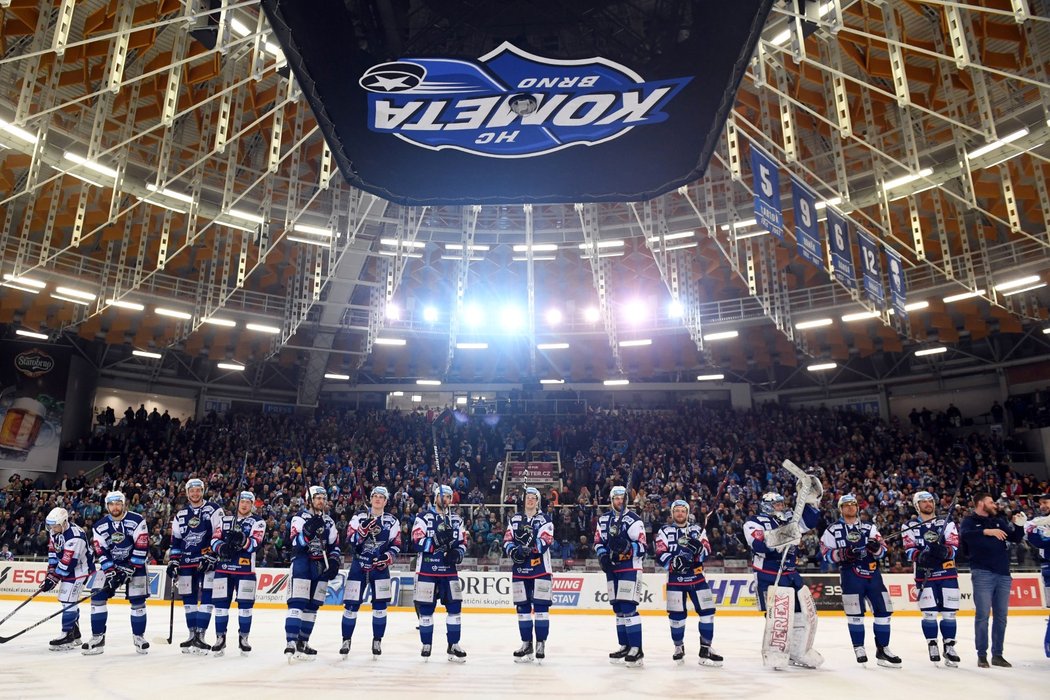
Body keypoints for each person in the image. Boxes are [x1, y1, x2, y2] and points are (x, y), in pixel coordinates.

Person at [743, 487, 824, 669]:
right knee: (778, 616)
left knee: (800, 614)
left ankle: (797, 650)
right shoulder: (754, 522)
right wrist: (786, 536)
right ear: (767, 506)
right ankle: (776, 652)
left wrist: (811, 500)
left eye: (782, 503)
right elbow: (759, 545)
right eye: (777, 504)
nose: (781, 506)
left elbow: (809, 522)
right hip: (768, 575)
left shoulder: (790, 519)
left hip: (790, 573)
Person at [820, 493, 900, 667]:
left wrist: (876, 547)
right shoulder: (832, 530)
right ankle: (859, 647)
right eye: (846, 505)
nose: (850, 507)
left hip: (873, 575)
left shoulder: (869, 528)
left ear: (857, 507)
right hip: (850, 576)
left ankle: (883, 649)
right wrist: (843, 554)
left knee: (884, 612)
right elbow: (825, 555)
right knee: (855, 614)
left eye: (853, 504)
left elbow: (884, 551)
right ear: (840, 509)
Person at [959, 492, 1027, 668]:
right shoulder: (969, 520)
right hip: (982, 572)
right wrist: (986, 531)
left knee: (1001, 616)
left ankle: (998, 654)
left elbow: (1015, 538)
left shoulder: (999, 521)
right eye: (991, 502)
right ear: (981, 503)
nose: (994, 504)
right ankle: (982, 655)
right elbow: (965, 535)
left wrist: (1019, 526)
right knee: (982, 615)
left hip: (1003, 573)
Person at [654, 499, 722, 666]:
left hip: (697, 577)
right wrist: (674, 561)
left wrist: (698, 551)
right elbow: (659, 551)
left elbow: (707, 549)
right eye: (676, 511)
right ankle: (678, 647)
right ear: (672, 513)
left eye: (682, 511)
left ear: (687, 513)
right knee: (676, 616)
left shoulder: (697, 530)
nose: (679, 513)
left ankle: (706, 648)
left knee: (707, 612)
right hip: (675, 579)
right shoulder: (664, 531)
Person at [84, 491, 150, 655]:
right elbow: (100, 549)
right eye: (112, 504)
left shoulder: (136, 520)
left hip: (136, 565)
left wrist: (129, 568)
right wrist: (110, 571)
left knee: (138, 601)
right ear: (107, 506)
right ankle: (97, 638)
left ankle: (139, 637)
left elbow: (142, 546)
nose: (115, 507)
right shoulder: (99, 525)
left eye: (118, 503)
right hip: (112, 565)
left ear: (124, 504)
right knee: (97, 596)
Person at [900, 490, 961, 667]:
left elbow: (954, 546)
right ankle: (932, 643)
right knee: (929, 613)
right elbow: (909, 550)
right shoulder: (909, 526)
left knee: (949, 613)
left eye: (930, 500)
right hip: (924, 574)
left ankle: (949, 646)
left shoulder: (946, 522)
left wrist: (943, 551)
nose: (928, 503)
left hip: (947, 572)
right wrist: (922, 556)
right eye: (923, 501)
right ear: (916, 505)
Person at [341, 485, 402, 659]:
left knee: (380, 607)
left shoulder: (392, 521)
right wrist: (362, 530)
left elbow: (396, 545)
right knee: (351, 606)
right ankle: (346, 640)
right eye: (375, 496)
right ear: (370, 498)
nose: (377, 499)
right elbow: (351, 541)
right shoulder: (359, 517)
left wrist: (387, 557)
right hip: (358, 567)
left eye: (381, 497)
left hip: (379, 569)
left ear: (386, 501)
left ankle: (377, 640)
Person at [411, 484, 468, 662]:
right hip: (427, 570)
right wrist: (435, 540)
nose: (445, 500)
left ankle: (453, 644)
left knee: (455, 608)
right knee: (426, 609)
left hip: (448, 571)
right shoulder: (423, 517)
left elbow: (463, 542)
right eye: (442, 496)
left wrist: (458, 553)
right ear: (435, 497)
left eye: (449, 497)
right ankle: (426, 644)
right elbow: (416, 541)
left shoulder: (456, 519)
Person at [168, 477, 224, 655]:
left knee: (207, 596)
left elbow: (220, 534)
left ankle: (201, 635)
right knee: (188, 599)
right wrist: (174, 560)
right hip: (186, 562)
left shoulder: (213, 509)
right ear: (187, 493)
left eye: (198, 490)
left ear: (203, 491)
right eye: (192, 490)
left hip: (207, 560)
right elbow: (176, 540)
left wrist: (213, 556)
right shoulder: (181, 515)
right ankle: (192, 634)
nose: (195, 493)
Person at [285, 485, 341, 661]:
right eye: (317, 498)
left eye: (323, 498)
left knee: (312, 606)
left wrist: (333, 561)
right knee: (298, 602)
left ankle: (303, 641)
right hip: (302, 563)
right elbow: (295, 542)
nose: (321, 501)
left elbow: (334, 546)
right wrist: (308, 531)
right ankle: (291, 642)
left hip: (320, 566)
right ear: (310, 500)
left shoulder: (329, 521)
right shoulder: (299, 518)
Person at [594, 485, 646, 667]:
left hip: (629, 568)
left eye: (622, 498)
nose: (619, 501)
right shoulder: (604, 519)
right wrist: (602, 556)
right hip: (612, 569)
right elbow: (598, 541)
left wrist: (625, 546)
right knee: (618, 608)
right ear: (611, 499)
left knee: (628, 606)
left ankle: (636, 648)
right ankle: (624, 645)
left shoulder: (633, 519)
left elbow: (643, 546)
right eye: (616, 498)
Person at [209, 490, 266, 656]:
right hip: (223, 569)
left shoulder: (258, 521)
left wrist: (242, 539)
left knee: (245, 607)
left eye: (248, 502)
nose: (245, 504)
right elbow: (214, 539)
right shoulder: (225, 519)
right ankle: (220, 638)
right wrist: (222, 547)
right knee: (220, 606)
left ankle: (244, 638)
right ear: (237, 502)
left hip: (246, 570)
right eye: (242, 501)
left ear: (252, 504)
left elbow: (255, 544)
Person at [502, 486, 555, 663]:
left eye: (534, 497)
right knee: (522, 609)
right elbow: (507, 540)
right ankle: (526, 644)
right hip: (520, 570)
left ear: (538, 501)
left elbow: (544, 543)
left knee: (541, 608)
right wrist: (514, 551)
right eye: (528, 497)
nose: (530, 500)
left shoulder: (545, 519)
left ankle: (540, 643)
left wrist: (529, 545)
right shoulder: (515, 519)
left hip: (541, 570)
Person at [41, 507, 94, 650]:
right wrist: (50, 575)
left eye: (55, 525)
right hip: (70, 570)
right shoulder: (55, 531)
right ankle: (75, 634)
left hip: (80, 570)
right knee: (67, 601)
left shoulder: (76, 536)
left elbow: (68, 563)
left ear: (64, 522)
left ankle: (67, 635)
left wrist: (54, 579)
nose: (52, 528)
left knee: (68, 600)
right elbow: (53, 554)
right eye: (50, 525)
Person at [1022, 493, 1050, 657]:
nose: (1042, 506)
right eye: (1041, 503)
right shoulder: (1036, 522)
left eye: (1046, 502)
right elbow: (1037, 541)